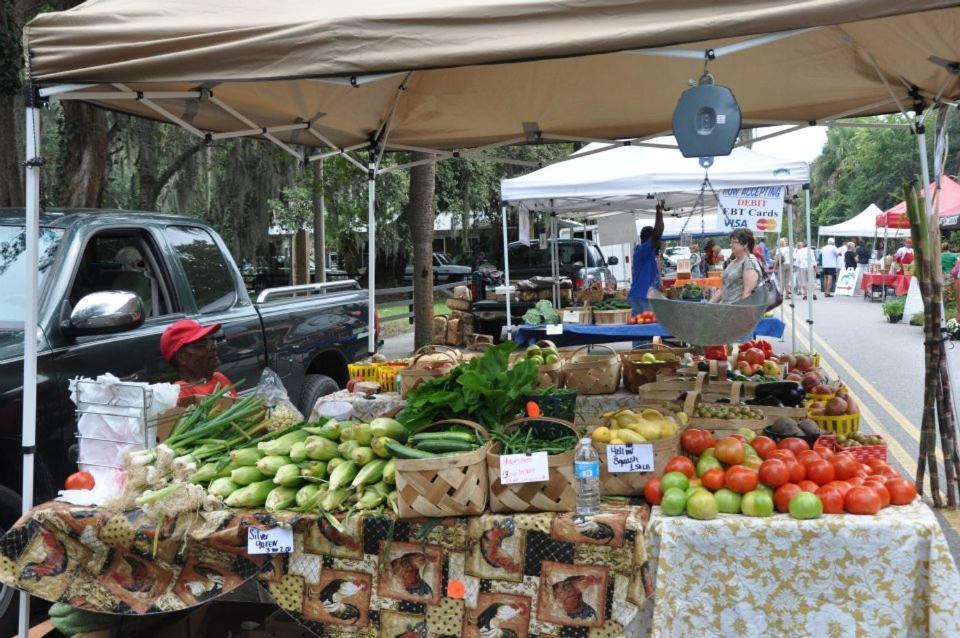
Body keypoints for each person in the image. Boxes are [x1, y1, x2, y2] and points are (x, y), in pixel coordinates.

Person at [160, 319, 238, 400]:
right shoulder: (181, 393)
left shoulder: (219, 377)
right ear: (181, 357)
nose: (213, 347)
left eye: (211, 341)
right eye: (201, 345)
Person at [628, 203, 665, 316]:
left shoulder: (649, 253)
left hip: (646, 296)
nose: (660, 242)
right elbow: (658, 232)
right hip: (641, 297)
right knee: (646, 328)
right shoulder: (643, 250)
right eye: (657, 240)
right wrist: (659, 212)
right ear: (650, 239)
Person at [710, 229, 764, 304]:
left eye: (735, 242)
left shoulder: (749, 262)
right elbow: (723, 288)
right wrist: (710, 304)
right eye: (731, 242)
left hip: (737, 311)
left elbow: (747, 293)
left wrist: (740, 313)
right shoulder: (734, 261)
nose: (731, 245)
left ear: (745, 244)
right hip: (725, 309)